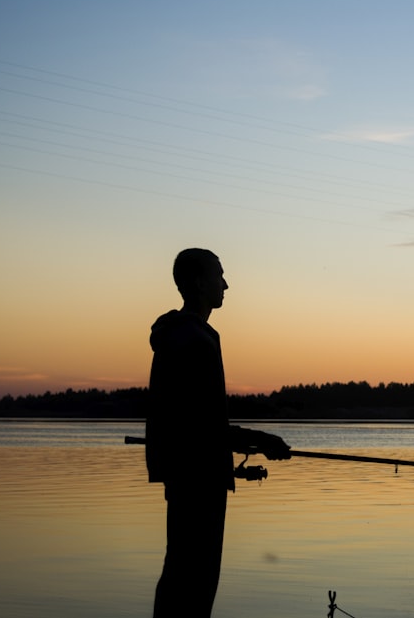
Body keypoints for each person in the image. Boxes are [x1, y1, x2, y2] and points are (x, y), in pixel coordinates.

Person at [145, 247, 290, 617]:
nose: (226, 284)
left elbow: (197, 425)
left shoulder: (178, 335)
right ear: (199, 282)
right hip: (199, 481)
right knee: (194, 580)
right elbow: (202, 427)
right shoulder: (195, 340)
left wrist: (248, 446)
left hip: (187, 476)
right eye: (219, 275)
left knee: (179, 572)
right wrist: (261, 441)